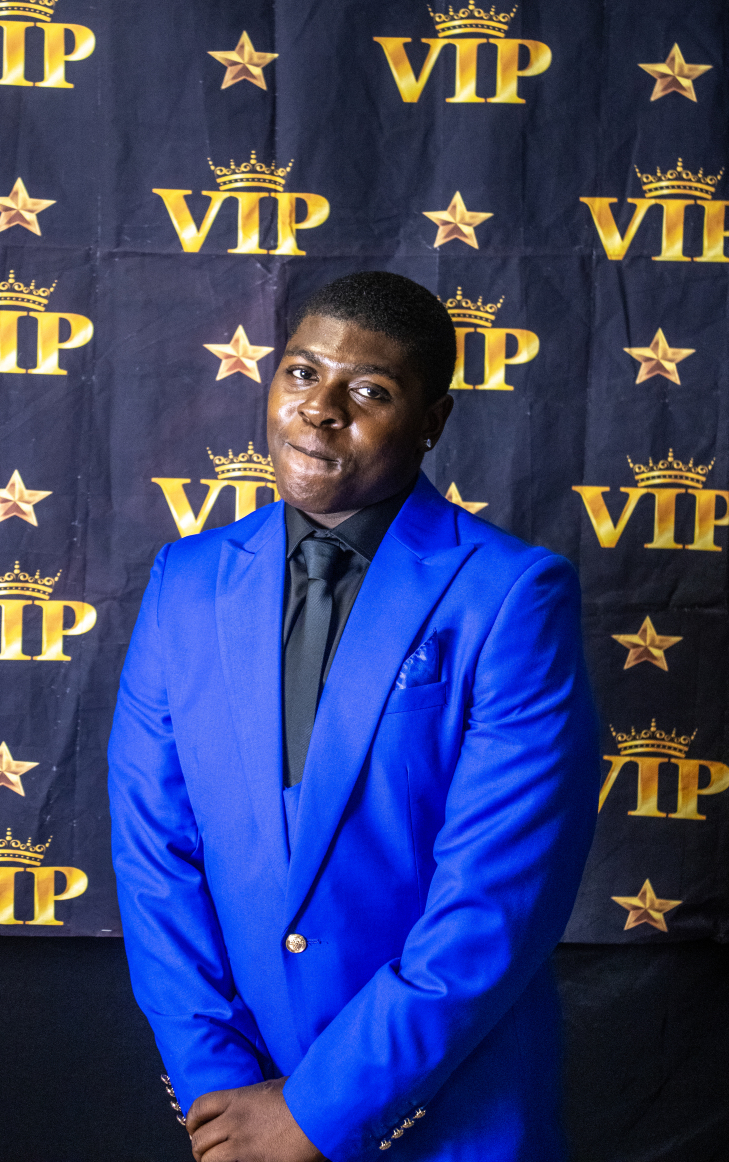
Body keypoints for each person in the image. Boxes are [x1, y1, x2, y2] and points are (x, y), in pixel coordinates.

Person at [108, 271, 599, 1162]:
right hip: (239, 1115)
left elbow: (497, 896)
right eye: (302, 373)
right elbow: (155, 856)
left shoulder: (511, 596)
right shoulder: (186, 581)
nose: (320, 409)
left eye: (369, 391)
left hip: (449, 1113)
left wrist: (316, 1112)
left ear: (432, 421)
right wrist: (220, 1088)